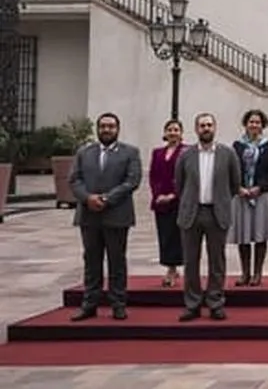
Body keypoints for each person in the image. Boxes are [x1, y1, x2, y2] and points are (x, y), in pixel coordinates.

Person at [68, 112, 142, 322]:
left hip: (117, 215)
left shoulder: (130, 152)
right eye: (103, 126)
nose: (106, 130)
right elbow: (74, 179)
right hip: (89, 215)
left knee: (117, 262)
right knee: (91, 262)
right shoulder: (84, 152)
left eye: (111, 126)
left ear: (117, 129)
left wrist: (107, 199)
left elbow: (132, 181)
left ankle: (118, 304)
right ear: (97, 129)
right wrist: (88, 198)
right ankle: (89, 305)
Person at [175, 112, 242, 322]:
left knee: (217, 261)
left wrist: (221, 201)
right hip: (192, 214)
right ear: (196, 129)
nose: (206, 128)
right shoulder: (185, 155)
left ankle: (215, 303)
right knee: (190, 261)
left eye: (209, 125)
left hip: (216, 213)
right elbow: (179, 183)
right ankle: (192, 304)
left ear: (215, 128)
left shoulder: (228, 154)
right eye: (202, 125)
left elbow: (235, 184)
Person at [230, 109, 268, 286]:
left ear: (262, 125)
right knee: (243, 236)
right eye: (251, 122)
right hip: (242, 195)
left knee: (260, 235)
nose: (254, 125)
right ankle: (245, 273)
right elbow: (232, 168)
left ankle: (257, 273)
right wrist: (239, 187)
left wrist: (260, 187)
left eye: (257, 122)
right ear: (246, 124)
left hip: (261, 195)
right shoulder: (237, 145)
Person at [148, 119, 186, 287]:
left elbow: (187, 176)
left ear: (181, 133)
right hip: (161, 202)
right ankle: (171, 267)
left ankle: (173, 269)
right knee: (164, 236)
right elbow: (153, 176)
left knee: (176, 237)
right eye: (170, 130)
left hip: (179, 201)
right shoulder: (157, 152)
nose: (173, 133)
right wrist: (158, 195)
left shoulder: (186, 151)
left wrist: (173, 195)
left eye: (176, 130)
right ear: (165, 133)